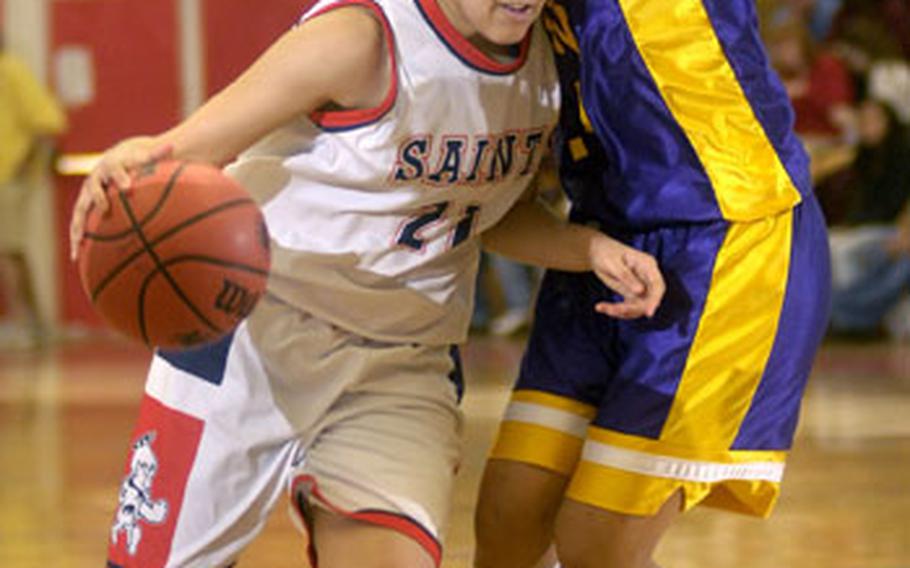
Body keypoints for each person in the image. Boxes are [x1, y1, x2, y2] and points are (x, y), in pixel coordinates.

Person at [68, 0, 664, 566]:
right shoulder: (360, 38)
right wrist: (131, 169)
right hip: (251, 339)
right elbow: (185, 153)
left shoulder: (547, 67)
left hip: (398, 365)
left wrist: (586, 248)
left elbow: (491, 210)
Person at [474, 1, 831, 567]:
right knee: (508, 520)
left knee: (598, 543)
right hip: (603, 237)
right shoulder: (506, 19)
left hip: (726, 236)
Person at [0, 32, 67, 347]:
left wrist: (24, 165)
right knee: (10, 250)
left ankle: (29, 325)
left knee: (10, 251)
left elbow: (48, 121)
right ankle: (29, 324)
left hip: (9, 178)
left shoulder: (10, 69)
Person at [828, 97, 910, 338]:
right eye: (862, 121)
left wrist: (905, 231)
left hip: (894, 231)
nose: (867, 126)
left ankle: (843, 315)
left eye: (873, 121)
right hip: (870, 230)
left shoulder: (903, 152)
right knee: (832, 248)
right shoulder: (864, 157)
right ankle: (845, 315)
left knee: (900, 261)